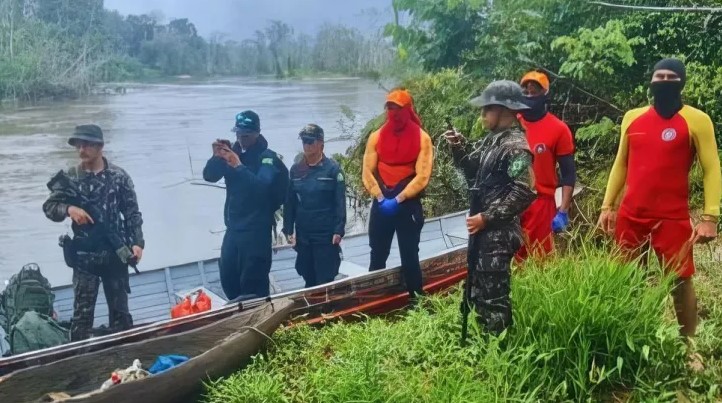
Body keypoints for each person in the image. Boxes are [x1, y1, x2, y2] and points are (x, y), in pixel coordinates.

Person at [598, 58, 721, 338]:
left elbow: (712, 168)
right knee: (627, 279)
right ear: (651, 82)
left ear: (682, 82)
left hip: (672, 216)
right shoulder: (633, 117)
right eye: (658, 76)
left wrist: (709, 217)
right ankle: (632, 336)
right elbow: (621, 163)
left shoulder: (697, 120)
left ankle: (688, 345)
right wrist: (608, 206)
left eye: (670, 77)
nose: (663, 81)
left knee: (681, 281)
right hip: (631, 214)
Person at [443, 80, 536, 335]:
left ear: (504, 110)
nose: (482, 115)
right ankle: (482, 348)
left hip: (497, 234)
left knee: (494, 300)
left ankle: (497, 354)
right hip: (484, 233)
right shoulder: (493, 140)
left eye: (487, 110)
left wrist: (487, 217)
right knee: (478, 292)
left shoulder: (515, 145)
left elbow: (525, 190)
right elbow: (472, 170)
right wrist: (458, 147)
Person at [43, 124, 144, 341]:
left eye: (87, 144)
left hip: (115, 254)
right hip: (85, 258)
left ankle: (125, 359)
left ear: (100, 146)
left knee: (121, 318)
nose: (81, 149)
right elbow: (49, 208)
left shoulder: (119, 176)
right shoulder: (71, 177)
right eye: (78, 145)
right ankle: (81, 365)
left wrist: (137, 243)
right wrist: (69, 210)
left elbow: (132, 213)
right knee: (82, 320)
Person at [203, 110, 286, 301]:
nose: (241, 139)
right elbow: (209, 176)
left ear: (257, 133)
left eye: (246, 135)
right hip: (234, 227)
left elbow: (261, 189)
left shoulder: (268, 158)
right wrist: (216, 157)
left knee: (253, 283)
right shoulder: (234, 154)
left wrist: (239, 166)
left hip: (257, 230)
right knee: (228, 276)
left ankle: (261, 318)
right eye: (238, 134)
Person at [362, 89, 433, 299]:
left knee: (409, 255)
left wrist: (400, 198)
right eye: (390, 107)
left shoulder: (422, 138)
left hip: (407, 203)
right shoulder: (376, 136)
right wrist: (380, 196)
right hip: (382, 201)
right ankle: (373, 300)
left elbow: (422, 176)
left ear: (408, 109)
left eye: (398, 108)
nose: (394, 112)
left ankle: (416, 301)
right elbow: (366, 171)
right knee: (377, 254)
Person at [516, 71, 577, 261]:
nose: (529, 93)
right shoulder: (511, 123)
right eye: (525, 90)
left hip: (540, 203)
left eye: (534, 90)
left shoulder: (558, 129)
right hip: (511, 203)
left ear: (545, 94)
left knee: (540, 260)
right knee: (512, 262)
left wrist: (563, 211)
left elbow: (568, 173)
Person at [282, 124, 346, 288]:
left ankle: (326, 310)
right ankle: (311, 307)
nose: (307, 145)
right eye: (304, 141)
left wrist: (339, 230)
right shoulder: (296, 170)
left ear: (321, 144)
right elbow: (290, 202)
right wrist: (288, 229)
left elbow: (340, 202)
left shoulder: (333, 170)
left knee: (325, 276)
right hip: (304, 233)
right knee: (306, 272)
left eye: (311, 141)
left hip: (325, 234)